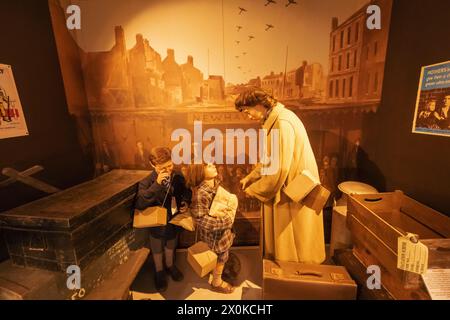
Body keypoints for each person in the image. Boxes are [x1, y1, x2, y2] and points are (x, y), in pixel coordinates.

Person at [235, 87, 325, 264]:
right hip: (292, 187)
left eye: (247, 111)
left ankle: (294, 274)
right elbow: (270, 158)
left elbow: (279, 169)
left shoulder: (282, 124)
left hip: (294, 190)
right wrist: (252, 176)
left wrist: (254, 190)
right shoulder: (277, 121)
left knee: (294, 239)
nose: (248, 116)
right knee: (292, 236)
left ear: (260, 104)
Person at [135, 147, 192, 292]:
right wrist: (157, 185)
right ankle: (159, 271)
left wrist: (186, 201)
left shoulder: (177, 176)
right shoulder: (147, 181)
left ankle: (170, 265)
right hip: (156, 223)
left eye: (170, 165)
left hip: (174, 219)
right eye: (163, 167)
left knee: (171, 244)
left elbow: (186, 191)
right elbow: (140, 203)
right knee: (157, 247)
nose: (168, 170)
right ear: (153, 165)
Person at [187, 163, 236, 294]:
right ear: (199, 172)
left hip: (223, 232)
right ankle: (217, 281)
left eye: (211, 163)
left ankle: (216, 272)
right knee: (220, 256)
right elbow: (200, 219)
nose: (213, 165)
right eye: (207, 166)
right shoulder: (201, 194)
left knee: (223, 255)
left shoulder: (215, 185)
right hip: (215, 237)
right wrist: (226, 220)